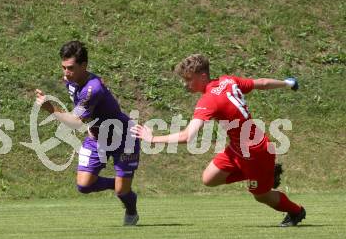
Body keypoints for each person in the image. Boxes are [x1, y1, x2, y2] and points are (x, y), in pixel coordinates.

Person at [131, 54, 305, 227]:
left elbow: (187, 136)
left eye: (189, 79)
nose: (186, 84)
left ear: (203, 76)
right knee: (209, 179)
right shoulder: (228, 81)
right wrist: (288, 83)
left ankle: (296, 211)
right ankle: (264, 172)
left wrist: (152, 138)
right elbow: (263, 83)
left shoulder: (209, 100)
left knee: (261, 195)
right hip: (238, 148)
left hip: (255, 152)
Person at [35, 41, 140, 226]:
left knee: (123, 192)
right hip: (97, 137)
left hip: (124, 138)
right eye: (63, 67)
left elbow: (75, 123)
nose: (66, 73)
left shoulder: (93, 89)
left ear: (84, 66)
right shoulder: (72, 82)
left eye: (70, 68)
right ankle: (118, 183)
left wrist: (51, 109)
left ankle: (131, 210)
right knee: (84, 185)